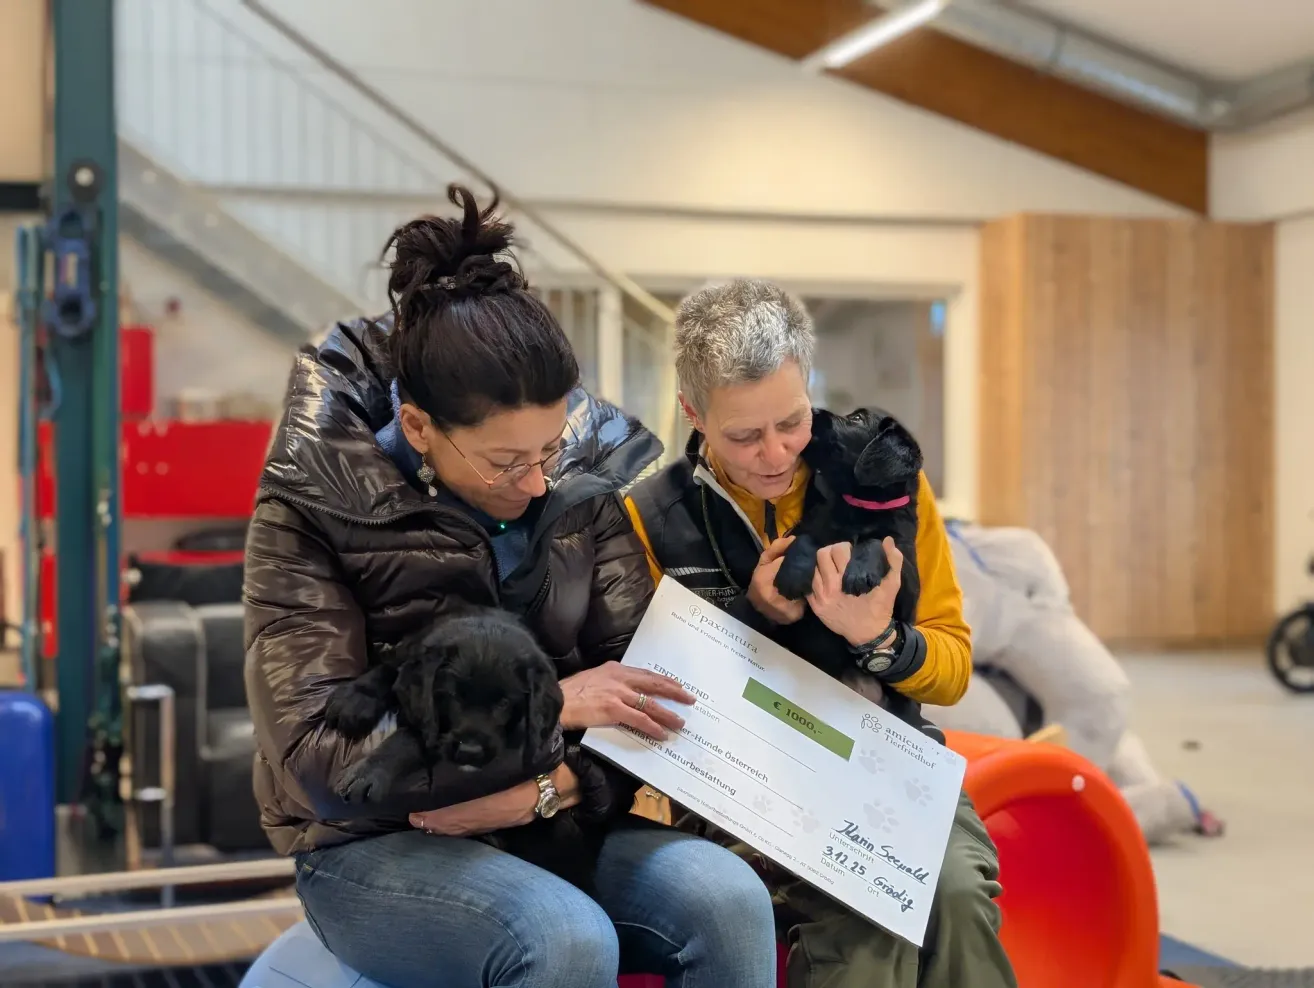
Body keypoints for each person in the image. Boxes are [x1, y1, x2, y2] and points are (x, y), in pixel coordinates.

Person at [243, 187, 777, 988]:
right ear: (418, 426)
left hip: (556, 812)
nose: (534, 484)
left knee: (730, 899)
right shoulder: (312, 502)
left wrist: (548, 790)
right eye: (503, 463)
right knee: (563, 939)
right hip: (370, 845)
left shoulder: (583, 481)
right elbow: (320, 760)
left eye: (549, 449)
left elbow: (664, 700)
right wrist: (555, 706)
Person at [624, 279, 1017, 988]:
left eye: (793, 422)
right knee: (865, 912)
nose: (776, 454)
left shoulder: (884, 481)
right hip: (741, 781)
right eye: (744, 436)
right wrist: (756, 621)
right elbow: (651, 697)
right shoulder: (649, 515)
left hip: (887, 759)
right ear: (692, 413)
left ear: (809, 387)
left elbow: (953, 667)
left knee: (956, 896)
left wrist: (882, 643)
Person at [928, 520, 1224, 843]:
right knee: (1084, 719)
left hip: (1008, 690)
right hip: (988, 688)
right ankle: (1147, 803)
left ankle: (1120, 805)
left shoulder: (990, 560)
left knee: (1097, 715)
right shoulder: (1007, 558)